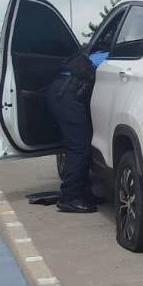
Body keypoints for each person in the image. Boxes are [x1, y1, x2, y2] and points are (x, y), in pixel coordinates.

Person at [45, 45, 111, 213]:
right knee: (80, 146)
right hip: (67, 93)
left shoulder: (99, 51)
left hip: (64, 90)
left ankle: (82, 192)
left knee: (84, 143)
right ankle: (69, 197)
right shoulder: (111, 57)